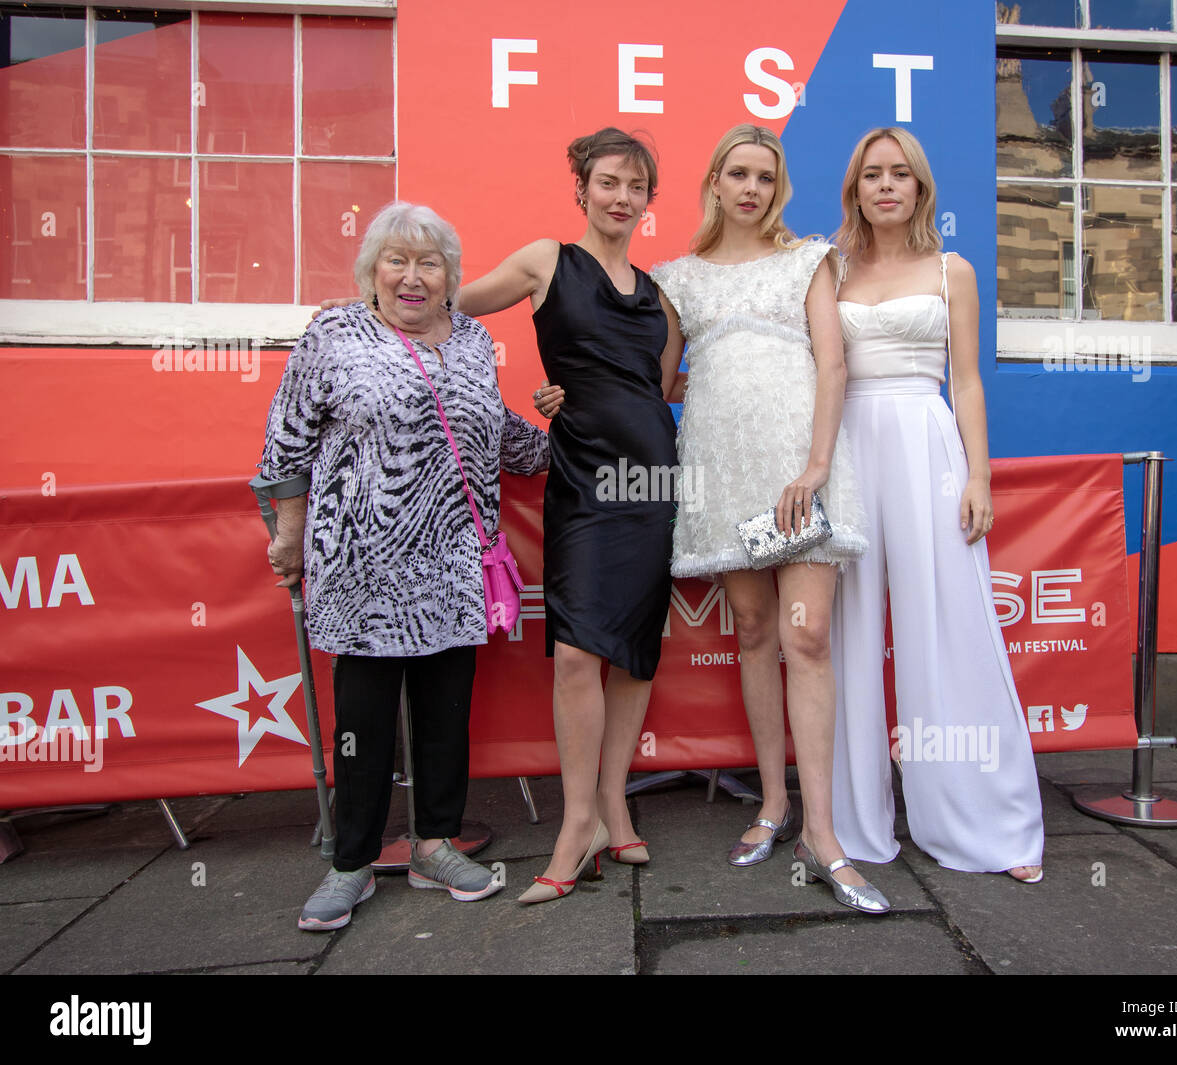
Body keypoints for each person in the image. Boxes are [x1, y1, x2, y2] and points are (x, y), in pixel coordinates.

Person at [590, 124, 886, 913]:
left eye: (765, 175)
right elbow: (658, 381)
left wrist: (816, 465)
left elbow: (833, 362)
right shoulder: (677, 278)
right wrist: (576, 400)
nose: (751, 188)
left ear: (777, 186)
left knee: (807, 635)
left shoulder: (807, 259)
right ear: (714, 183)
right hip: (722, 477)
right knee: (754, 633)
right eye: (738, 173)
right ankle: (772, 804)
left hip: (799, 474)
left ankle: (824, 833)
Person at [262, 201, 550, 931]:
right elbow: (286, 442)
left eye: (430, 264)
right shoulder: (334, 333)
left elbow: (498, 431)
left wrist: (571, 429)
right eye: (398, 261)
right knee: (361, 722)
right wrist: (289, 533)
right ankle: (350, 862)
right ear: (373, 273)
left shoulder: (477, 340)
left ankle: (435, 843)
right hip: (360, 565)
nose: (413, 277)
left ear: (451, 277)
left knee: (446, 714)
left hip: (454, 564)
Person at [452, 128, 680, 904]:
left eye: (636, 186)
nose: (622, 197)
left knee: (634, 647)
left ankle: (614, 800)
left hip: (651, 478)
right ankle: (576, 821)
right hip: (583, 478)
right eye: (608, 181)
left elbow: (663, 387)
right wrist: (390, 292)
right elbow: (452, 303)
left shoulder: (659, 293)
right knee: (581, 652)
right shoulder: (545, 260)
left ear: (650, 199)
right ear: (580, 188)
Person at [829, 127, 1044, 882]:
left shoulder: (955, 271)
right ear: (855, 188)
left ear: (920, 187)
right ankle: (854, 823)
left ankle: (985, 822)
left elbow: (969, 382)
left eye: (900, 174)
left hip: (928, 445)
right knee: (848, 632)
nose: (886, 186)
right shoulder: (828, 269)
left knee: (949, 629)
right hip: (850, 449)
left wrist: (978, 476)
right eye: (871, 175)